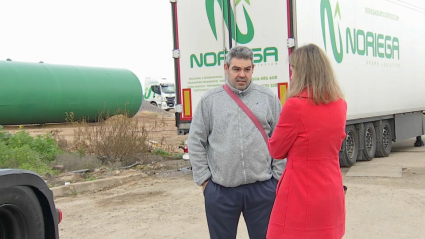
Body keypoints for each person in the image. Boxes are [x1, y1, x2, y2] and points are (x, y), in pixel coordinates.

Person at [187, 45, 286, 239]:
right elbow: (195, 141)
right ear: (226, 68)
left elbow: (280, 139)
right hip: (221, 191)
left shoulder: (268, 99)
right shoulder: (210, 101)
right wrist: (205, 181)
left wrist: (277, 178)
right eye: (236, 69)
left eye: (247, 69)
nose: (242, 74)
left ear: (253, 70)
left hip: (262, 189)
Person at [267, 44, 346, 239]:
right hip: (330, 189)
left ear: (302, 72)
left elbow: (276, 150)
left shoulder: (295, 106)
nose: (291, 75)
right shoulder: (340, 104)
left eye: (293, 70)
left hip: (300, 192)